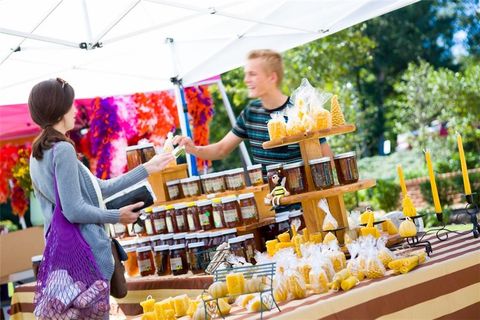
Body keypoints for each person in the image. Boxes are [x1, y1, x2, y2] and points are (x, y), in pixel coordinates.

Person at [28, 78, 174, 283]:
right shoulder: (62, 150)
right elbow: (74, 209)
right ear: (61, 110)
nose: (75, 111)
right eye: (71, 104)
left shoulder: (38, 154)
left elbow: (99, 189)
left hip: (62, 251)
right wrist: (116, 216)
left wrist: (147, 168)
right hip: (84, 253)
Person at [173, 49, 332, 170]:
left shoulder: (300, 112)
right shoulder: (251, 112)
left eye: (252, 74)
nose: (246, 80)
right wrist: (193, 149)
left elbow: (327, 159)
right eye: (246, 74)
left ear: (272, 77)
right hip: (271, 203)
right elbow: (221, 149)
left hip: (305, 205)